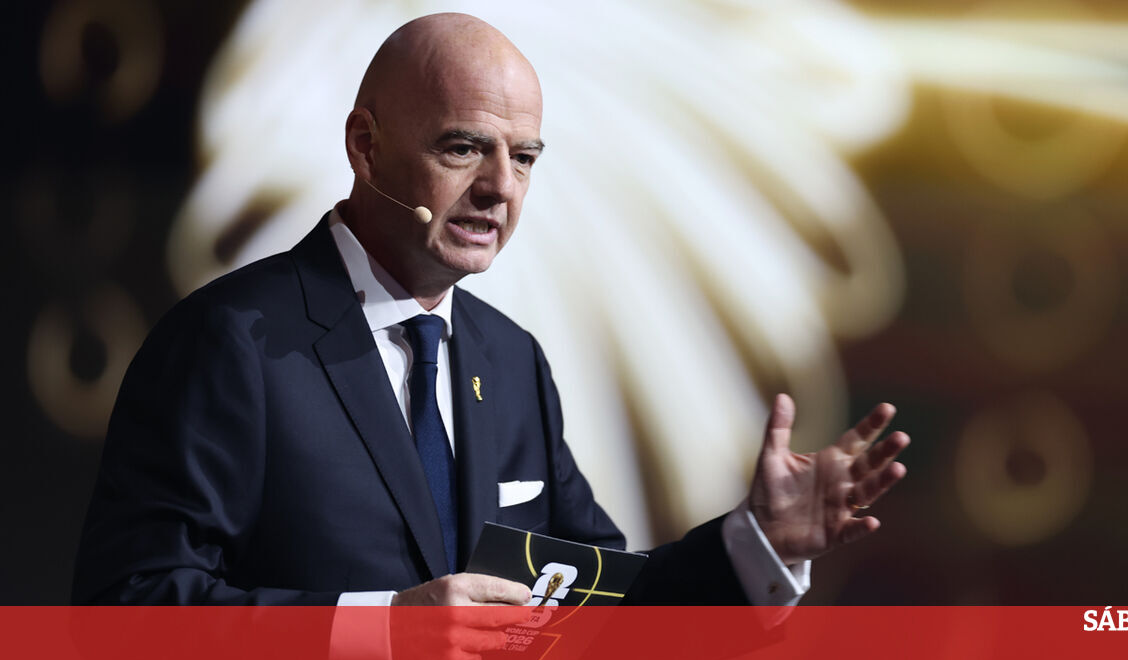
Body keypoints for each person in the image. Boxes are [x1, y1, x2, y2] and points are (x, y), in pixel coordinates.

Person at [73, 13, 908, 609]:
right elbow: (129, 606)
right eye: (464, 147)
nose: (500, 187)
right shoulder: (228, 342)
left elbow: (599, 599)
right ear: (364, 146)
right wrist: (383, 629)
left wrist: (758, 543)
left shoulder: (510, 360)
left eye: (525, 158)